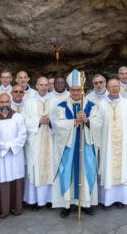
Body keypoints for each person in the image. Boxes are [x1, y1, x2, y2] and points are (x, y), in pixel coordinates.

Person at [53, 70, 98, 217]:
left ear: (83, 90)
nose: (76, 92)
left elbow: (99, 123)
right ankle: (66, 204)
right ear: (69, 90)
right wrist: (74, 121)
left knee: (87, 171)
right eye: (73, 90)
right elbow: (57, 124)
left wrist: (87, 120)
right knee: (67, 172)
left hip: (85, 145)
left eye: (78, 90)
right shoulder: (61, 106)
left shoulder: (91, 106)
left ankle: (85, 203)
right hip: (69, 147)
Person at [90, 78, 127, 209]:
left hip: (122, 145)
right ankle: (107, 200)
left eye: (116, 86)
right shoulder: (101, 104)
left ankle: (120, 199)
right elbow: (96, 125)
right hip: (107, 145)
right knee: (107, 169)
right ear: (107, 87)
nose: (114, 89)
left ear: (119, 87)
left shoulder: (126, 103)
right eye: (111, 87)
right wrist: (98, 144)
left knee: (122, 170)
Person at [22, 77, 59, 211]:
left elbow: (60, 120)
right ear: (36, 85)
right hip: (35, 142)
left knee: (51, 167)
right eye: (41, 85)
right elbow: (24, 121)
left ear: (49, 86)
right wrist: (38, 120)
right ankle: (36, 201)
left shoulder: (55, 101)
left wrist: (51, 121)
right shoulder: (29, 102)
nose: (43, 87)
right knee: (36, 169)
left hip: (51, 140)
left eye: (46, 85)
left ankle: (50, 199)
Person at [0, 93, 27, 218]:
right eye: (2, 102)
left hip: (15, 155)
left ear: (10, 102)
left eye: (7, 102)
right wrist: (6, 147)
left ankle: (16, 207)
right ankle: (3, 210)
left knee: (16, 178)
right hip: (1, 156)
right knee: (2, 179)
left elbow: (23, 135)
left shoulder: (18, 117)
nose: (5, 104)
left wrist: (12, 146)